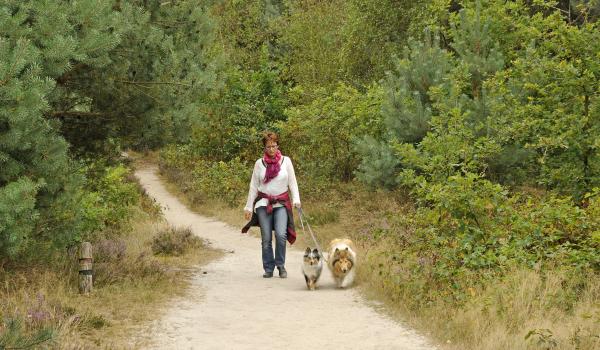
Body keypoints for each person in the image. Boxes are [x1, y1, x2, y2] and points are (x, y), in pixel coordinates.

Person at [241, 132, 301, 278]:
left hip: (281, 204)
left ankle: (281, 265)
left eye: (274, 146)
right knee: (266, 238)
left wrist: (296, 199)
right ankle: (268, 268)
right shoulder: (259, 164)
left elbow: (292, 182)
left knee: (281, 235)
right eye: (268, 147)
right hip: (263, 204)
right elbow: (254, 186)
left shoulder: (286, 161)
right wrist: (249, 207)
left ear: (278, 145)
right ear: (264, 148)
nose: (272, 149)